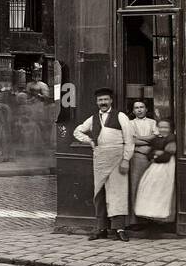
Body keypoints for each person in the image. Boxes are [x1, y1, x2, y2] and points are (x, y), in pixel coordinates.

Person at [72, 88, 134, 241]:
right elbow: (77, 131)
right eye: (100, 100)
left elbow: (129, 140)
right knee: (99, 193)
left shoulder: (121, 116)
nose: (103, 103)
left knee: (118, 192)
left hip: (118, 159)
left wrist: (126, 159)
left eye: (106, 100)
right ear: (97, 102)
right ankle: (101, 228)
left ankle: (119, 228)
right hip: (100, 159)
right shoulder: (92, 118)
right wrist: (90, 140)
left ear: (111, 100)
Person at [133, 118, 177, 225]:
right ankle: (151, 213)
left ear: (170, 129)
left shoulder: (171, 138)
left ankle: (162, 215)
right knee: (149, 186)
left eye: (166, 127)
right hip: (155, 165)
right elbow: (150, 152)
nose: (163, 129)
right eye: (161, 127)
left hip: (166, 166)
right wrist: (154, 155)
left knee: (162, 188)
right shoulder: (156, 139)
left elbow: (167, 155)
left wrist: (156, 157)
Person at [126, 100, 158, 228]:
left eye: (141, 107)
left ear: (146, 109)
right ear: (133, 111)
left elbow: (154, 138)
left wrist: (139, 139)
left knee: (149, 187)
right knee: (135, 186)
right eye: (136, 108)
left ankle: (149, 218)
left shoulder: (153, 122)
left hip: (150, 158)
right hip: (137, 158)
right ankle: (135, 220)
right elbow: (130, 140)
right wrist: (147, 140)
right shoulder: (130, 123)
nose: (139, 110)